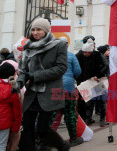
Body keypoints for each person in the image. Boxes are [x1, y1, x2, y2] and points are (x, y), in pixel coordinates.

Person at [17, 18, 70, 151]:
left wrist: (35, 76)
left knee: (42, 128)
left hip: (50, 92)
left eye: (39, 29)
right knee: (27, 126)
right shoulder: (28, 46)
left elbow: (61, 68)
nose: (35, 32)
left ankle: (62, 146)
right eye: (33, 29)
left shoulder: (59, 45)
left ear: (46, 31)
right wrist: (19, 83)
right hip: (32, 93)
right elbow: (23, 70)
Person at [50, 37, 83, 146]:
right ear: (67, 45)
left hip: (54, 89)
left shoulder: (51, 57)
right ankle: (73, 139)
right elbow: (78, 72)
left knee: (51, 115)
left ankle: (45, 141)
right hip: (68, 88)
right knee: (70, 113)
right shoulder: (71, 56)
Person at [76, 39, 108, 126]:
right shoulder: (80, 55)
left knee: (101, 101)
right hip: (87, 81)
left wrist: (98, 75)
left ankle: (102, 119)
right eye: (84, 52)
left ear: (91, 51)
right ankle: (88, 119)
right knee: (89, 102)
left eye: (87, 52)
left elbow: (106, 65)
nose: (85, 54)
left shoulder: (98, 55)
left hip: (97, 81)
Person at [0, 62, 22, 151]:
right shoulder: (12, 90)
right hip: (5, 122)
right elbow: (17, 111)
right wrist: (16, 127)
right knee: (2, 145)